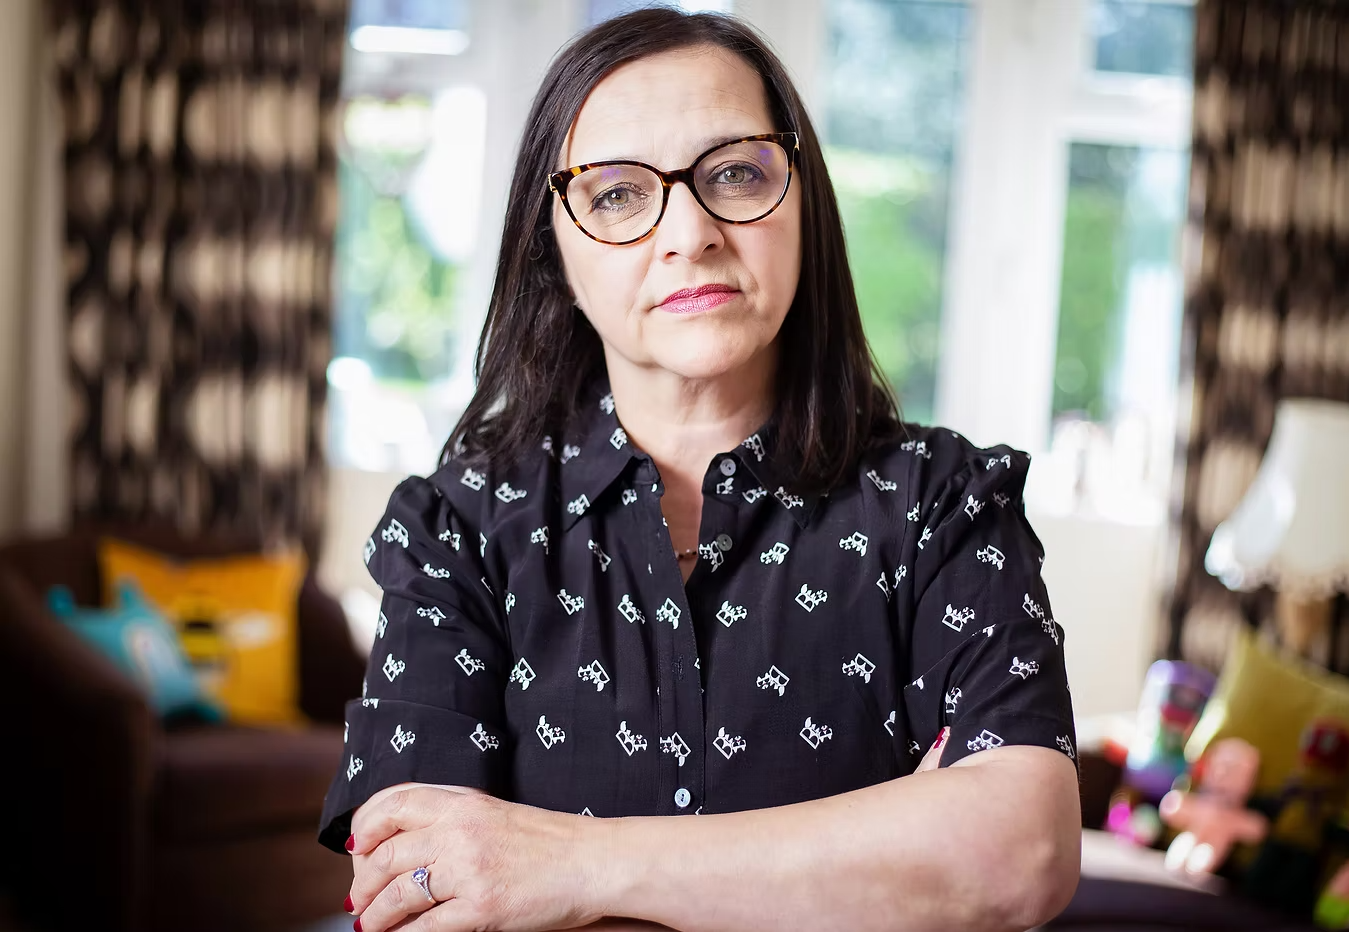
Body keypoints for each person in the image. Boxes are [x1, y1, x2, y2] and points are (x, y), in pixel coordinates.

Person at [320, 8, 1081, 931]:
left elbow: (1019, 856)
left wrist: (564, 864)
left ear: (804, 201)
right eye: (615, 195)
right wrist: (883, 852)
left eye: (735, 173)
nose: (690, 231)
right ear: (551, 249)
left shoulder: (946, 505)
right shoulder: (459, 532)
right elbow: (413, 892)